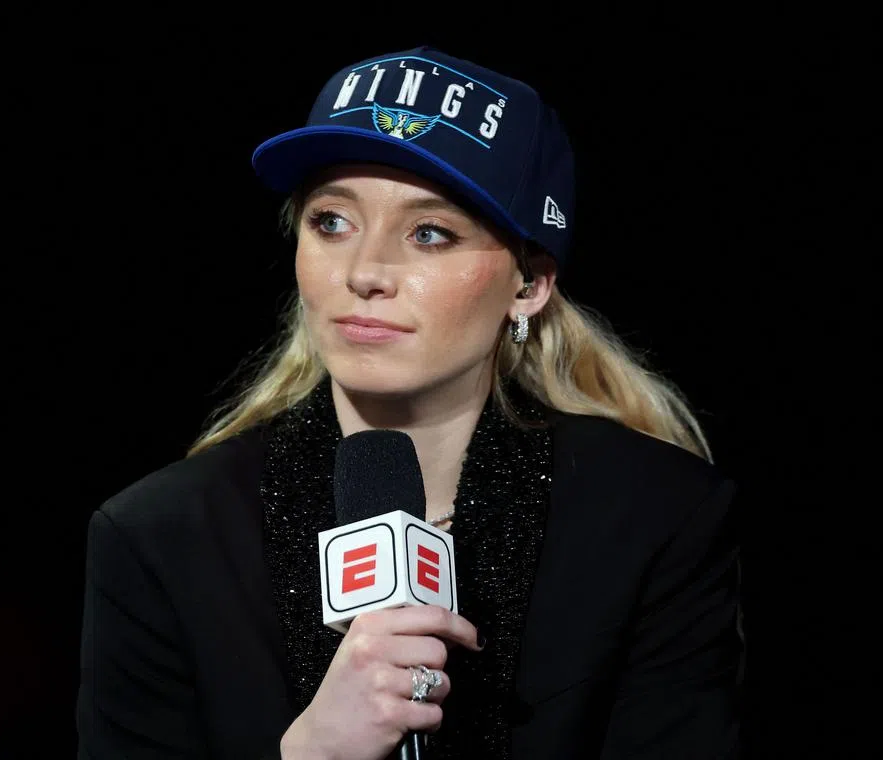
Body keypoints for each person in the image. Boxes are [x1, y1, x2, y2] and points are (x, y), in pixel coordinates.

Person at [76, 45, 744, 759]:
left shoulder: (657, 518)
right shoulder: (160, 538)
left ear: (529, 285)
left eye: (430, 234)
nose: (363, 272)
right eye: (331, 221)